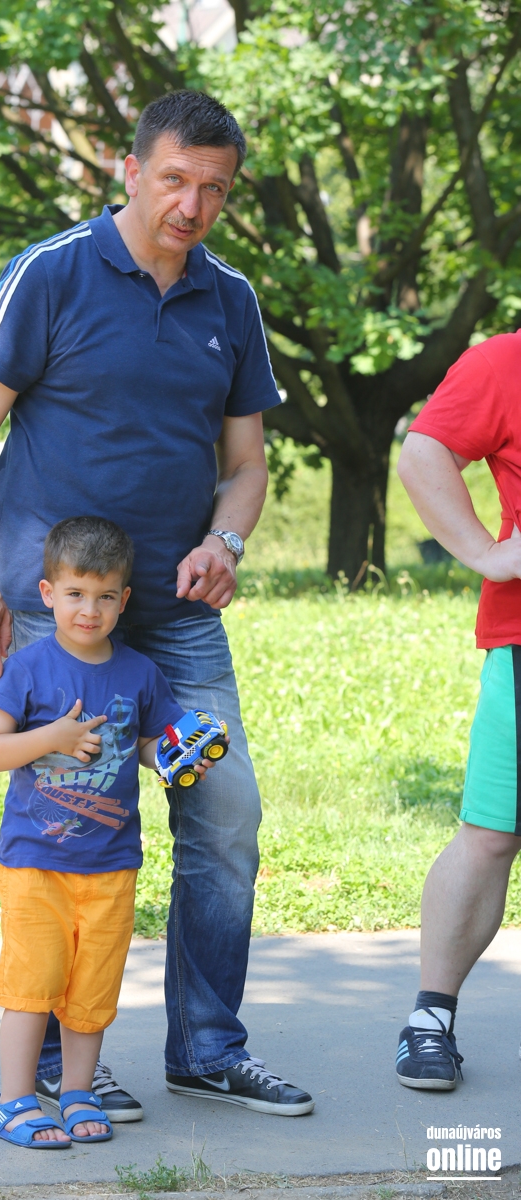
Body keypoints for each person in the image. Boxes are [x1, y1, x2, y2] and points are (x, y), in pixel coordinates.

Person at [0, 88, 315, 1119]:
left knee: (225, 813)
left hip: (176, 617)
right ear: (131, 168)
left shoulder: (229, 301)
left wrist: (225, 542)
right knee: (71, 824)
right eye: (174, 180)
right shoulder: (51, 273)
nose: (191, 206)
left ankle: (206, 1047)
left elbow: (246, 463)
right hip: (63, 615)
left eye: (214, 190)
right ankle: (64, 1062)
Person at [0, 516, 221, 1147]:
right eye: (76, 593)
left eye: (106, 596)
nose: (90, 609)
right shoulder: (28, 668)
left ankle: (78, 1092)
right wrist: (52, 737)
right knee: (33, 984)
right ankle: (13, 1101)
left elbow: (147, 745)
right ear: (48, 593)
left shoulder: (139, 673)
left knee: (92, 989)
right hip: (37, 861)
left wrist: (177, 753)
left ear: (124, 600)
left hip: (111, 864)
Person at [395, 329, 521, 1090]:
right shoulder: (506, 361)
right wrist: (485, 553)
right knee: (491, 835)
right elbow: (424, 453)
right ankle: (429, 1020)